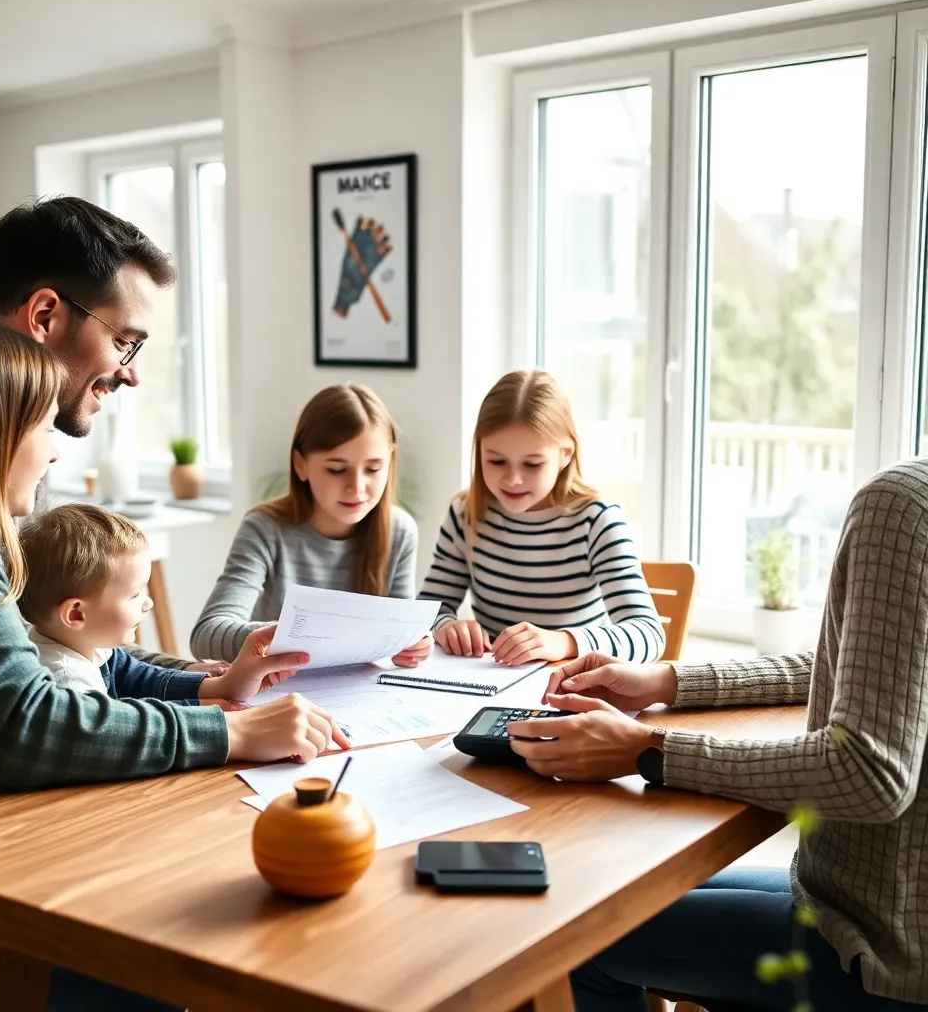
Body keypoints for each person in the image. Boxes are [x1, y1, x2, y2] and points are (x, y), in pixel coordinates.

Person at [0, 310, 346, 1012]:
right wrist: (231, 732)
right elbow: (30, 727)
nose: (54, 453)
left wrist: (208, 686)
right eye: (43, 428)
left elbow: (94, 667)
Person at [506, 460, 928, 1010]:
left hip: (883, 952)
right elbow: (859, 667)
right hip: (866, 908)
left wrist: (648, 752)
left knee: (577, 937)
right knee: (617, 891)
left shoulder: (906, 502)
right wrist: (669, 681)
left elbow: (871, 771)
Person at [0, 194, 208, 670]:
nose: (131, 374)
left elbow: (49, 639)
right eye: (123, 342)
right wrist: (225, 728)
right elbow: (20, 707)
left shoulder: (24, 454)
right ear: (44, 317)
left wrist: (196, 678)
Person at [417, 370, 664, 667]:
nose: (513, 479)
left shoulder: (597, 522)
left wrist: (562, 641)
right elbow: (426, 612)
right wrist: (446, 626)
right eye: (496, 461)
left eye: (532, 464)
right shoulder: (465, 515)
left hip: (571, 688)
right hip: (491, 685)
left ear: (565, 454)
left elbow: (649, 635)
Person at [191, 384, 431, 669]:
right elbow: (206, 635)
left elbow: (400, 632)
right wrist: (305, 634)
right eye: (337, 469)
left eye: (373, 468)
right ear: (300, 465)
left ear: (390, 461)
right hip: (279, 695)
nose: (357, 487)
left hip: (361, 696)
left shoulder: (399, 531)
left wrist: (412, 644)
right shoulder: (264, 529)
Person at [18, 504, 291, 706]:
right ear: (76, 614)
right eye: (135, 594)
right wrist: (207, 709)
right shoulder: (66, 683)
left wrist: (222, 686)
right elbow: (123, 730)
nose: (148, 603)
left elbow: (139, 678)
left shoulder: (89, 644)